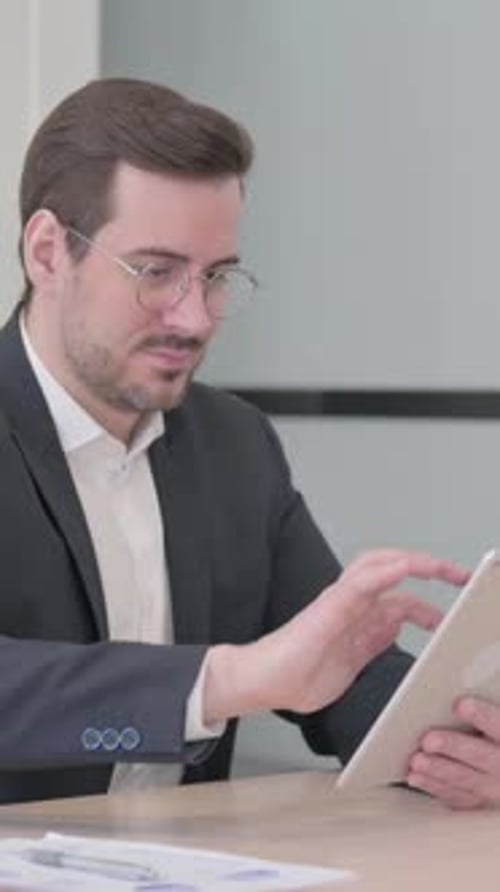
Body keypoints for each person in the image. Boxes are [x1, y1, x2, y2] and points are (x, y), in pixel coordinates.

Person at [0, 77, 492, 810]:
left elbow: (333, 675)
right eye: (156, 272)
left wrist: (455, 740)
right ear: (47, 253)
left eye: (217, 275)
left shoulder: (234, 443)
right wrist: (227, 680)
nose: (195, 318)